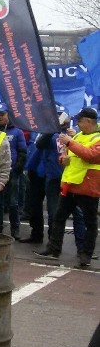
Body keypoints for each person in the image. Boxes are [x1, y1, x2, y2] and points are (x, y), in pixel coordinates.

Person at [34, 107, 100, 267]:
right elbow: (68, 155)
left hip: (87, 185)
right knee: (59, 216)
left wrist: (70, 143)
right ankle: (54, 248)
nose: (77, 122)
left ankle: (85, 254)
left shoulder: (97, 138)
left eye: (80, 120)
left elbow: (92, 156)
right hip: (70, 184)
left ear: (89, 121)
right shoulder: (77, 135)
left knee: (90, 222)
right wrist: (63, 159)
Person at [0, 102, 27, 237]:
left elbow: (22, 151)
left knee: (13, 203)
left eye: (2, 114)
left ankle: (14, 228)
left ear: (8, 115)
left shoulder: (17, 131)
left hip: (13, 174)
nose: (0, 117)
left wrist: (17, 169)